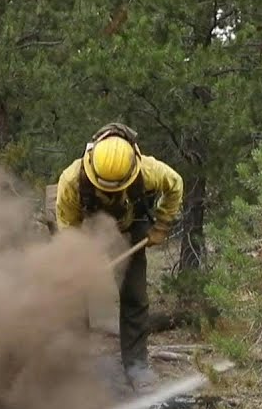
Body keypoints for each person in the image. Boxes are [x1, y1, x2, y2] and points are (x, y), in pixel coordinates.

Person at [55, 122, 184, 389]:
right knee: (74, 296)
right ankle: (76, 366)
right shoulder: (72, 180)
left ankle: (136, 366)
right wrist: (79, 263)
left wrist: (161, 225)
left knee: (134, 295)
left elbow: (176, 185)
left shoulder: (149, 171)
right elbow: (68, 229)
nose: (109, 193)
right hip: (88, 230)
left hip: (131, 226)